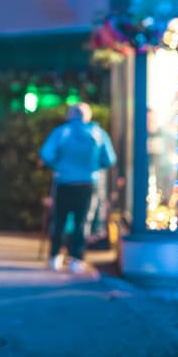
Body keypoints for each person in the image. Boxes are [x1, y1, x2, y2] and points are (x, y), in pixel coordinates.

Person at [40, 102, 117, 273]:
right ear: (87, 116)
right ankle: (77, 258)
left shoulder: (62, 132)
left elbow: (46, 154)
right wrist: (94, 166)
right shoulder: (98, 133)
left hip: (63, 182)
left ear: (70, 115)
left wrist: (58, 166)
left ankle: (55, 256)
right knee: (82, 222)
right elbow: (109, 159)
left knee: (59, 220)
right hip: (88, 184)